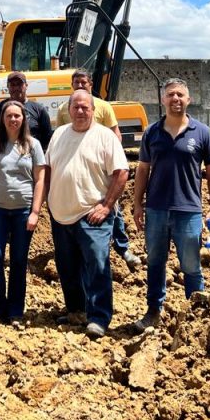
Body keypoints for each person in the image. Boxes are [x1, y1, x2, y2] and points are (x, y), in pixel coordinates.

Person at [131, 78, 210, 332]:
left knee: (191, 266)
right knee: (156, 263)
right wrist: (138, 204)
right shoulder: (152, 133)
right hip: (156, 210)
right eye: (171, 94)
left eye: (180, 95)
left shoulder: (202, 133)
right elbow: (142, 171)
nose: (176, 99)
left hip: (189, 211)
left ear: (188, 100)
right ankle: (153, 313)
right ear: (163, 99)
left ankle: (196, 318)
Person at [46, 89, 129, 338]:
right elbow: (48, 168)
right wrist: (48, 200)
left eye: (85, 107)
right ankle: (76, 311)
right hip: (60, 214)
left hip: (92, 214)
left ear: (93, 110)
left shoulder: (105, 137)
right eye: (76, 107)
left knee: (97, 263)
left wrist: (106, 205)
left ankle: (99, 316)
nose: (80, 111)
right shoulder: (59, 134)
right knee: (67, 266)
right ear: (68, 110)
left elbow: (121, 172)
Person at [56, 69, 141, 272]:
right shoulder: (62, 109)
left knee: (112, 209)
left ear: (91, 84)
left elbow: (115, 135)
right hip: (74, 170)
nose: (80, 86)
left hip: (100, 172)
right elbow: (59, 138)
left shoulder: (103, 107)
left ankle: (122, 247)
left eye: (83, 82)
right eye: (76, 83)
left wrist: (110, 160)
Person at [0, 99, 46, 324]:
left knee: (18, 260)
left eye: (17, 116)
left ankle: (16, 309)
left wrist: (35, 212)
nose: (13, 119)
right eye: (9, 116)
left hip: (23, 212)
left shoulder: (33, 145)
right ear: (3, 119)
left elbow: (39, 180)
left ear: (23, 118)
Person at [0, 71, 52, 152]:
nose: (16, 88)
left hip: (30, 158)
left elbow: (47, 140)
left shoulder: (39, 109)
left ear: (26, 86)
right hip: (2, 158)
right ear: (8, 87)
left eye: (19, 84)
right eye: (12, 85)